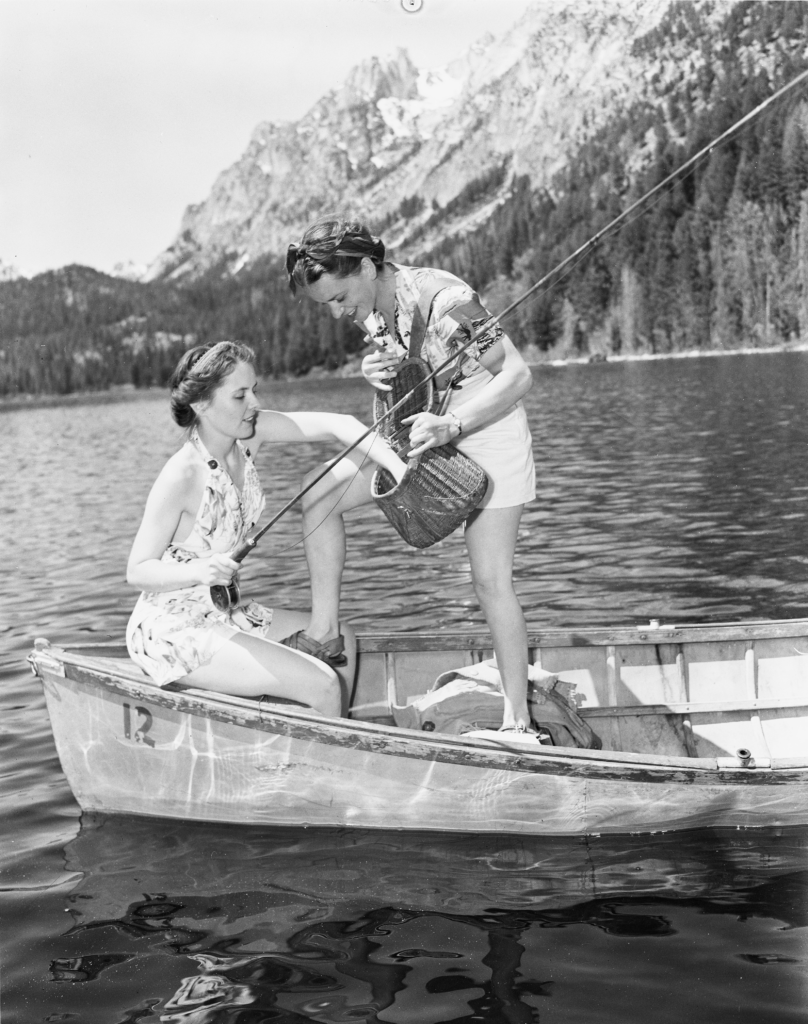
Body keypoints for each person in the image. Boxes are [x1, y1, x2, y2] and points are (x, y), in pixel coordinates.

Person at [285, 217, 536, 732]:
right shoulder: (370, 307)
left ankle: (518, 720)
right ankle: (325, 633)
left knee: (490, 582)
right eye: (327, 306)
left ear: (368, 266)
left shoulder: (445, 298)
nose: (337, 313)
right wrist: (373, 374)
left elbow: (517, 373)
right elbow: (407, 380)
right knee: (317, 499)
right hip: (423, 430)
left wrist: (455, 423)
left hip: (485, 426)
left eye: (339, 298)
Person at [125, 340, 407, 716]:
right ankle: (325, 763)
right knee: (322, 682)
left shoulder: (249, 437)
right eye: (240, 395)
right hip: (173, 630)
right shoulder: (181, 474)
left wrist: (401, 470)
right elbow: (138, 570)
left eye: (254, 390)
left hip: (224, 613)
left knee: (343, 642)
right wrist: (200, 570)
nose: (254, 404)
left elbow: (342, 426)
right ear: (201, 404)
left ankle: (317, 746)